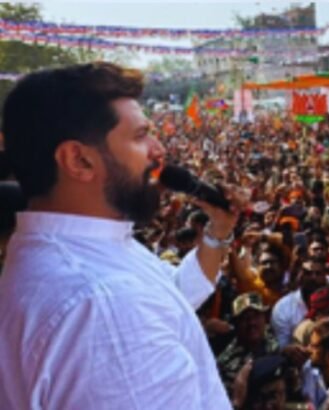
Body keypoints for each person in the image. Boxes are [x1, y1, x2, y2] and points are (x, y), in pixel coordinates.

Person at [0, 62, 242, 409]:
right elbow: (133, 311)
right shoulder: (103, 305)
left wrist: (218, 231)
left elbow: (171, 297)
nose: (159, 150)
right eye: (141, 136)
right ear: (78, 160)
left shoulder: (83, 259)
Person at [217, 292, 279, 397]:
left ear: (265, 318)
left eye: (256, 316)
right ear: (236, 324)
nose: (252, 323)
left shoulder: (272, 340)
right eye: (245, 319)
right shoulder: (226, 362)